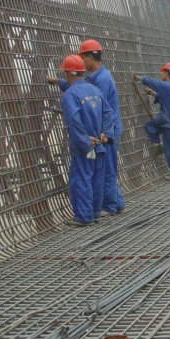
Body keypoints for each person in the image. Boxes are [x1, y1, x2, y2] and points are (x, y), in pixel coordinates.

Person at [47, 39, 125, 216]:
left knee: (104, 171)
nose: (82, 61)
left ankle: (110, 206)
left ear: (90, 56)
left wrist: (88, 138)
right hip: (102, 132)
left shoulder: (102, 80)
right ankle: (114, 204)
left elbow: (92, 107)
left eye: (83, 57)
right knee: (103, 170)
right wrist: (60, 82)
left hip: (103, 134)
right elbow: (83, 88)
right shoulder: (95, 79)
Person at [57, 55, 113, 227]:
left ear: (68, 73)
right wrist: (105, 133)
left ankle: (83, 216)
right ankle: (95, 213)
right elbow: (108, 112)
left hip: (85, 148)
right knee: (96, 179)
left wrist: (84, 140)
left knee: (81, 179)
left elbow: (74, 121)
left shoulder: (70, 94)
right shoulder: (95, 90)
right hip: (100, 145)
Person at [134, 62, 170, 180]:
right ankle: (159, 145)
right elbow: (166, 96)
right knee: (151, 126)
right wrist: (154, 94)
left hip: (169, 120)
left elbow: (153, 82)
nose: (162, 74)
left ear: (167, 73)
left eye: (163, 71)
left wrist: (140, 78)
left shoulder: (167, 86)